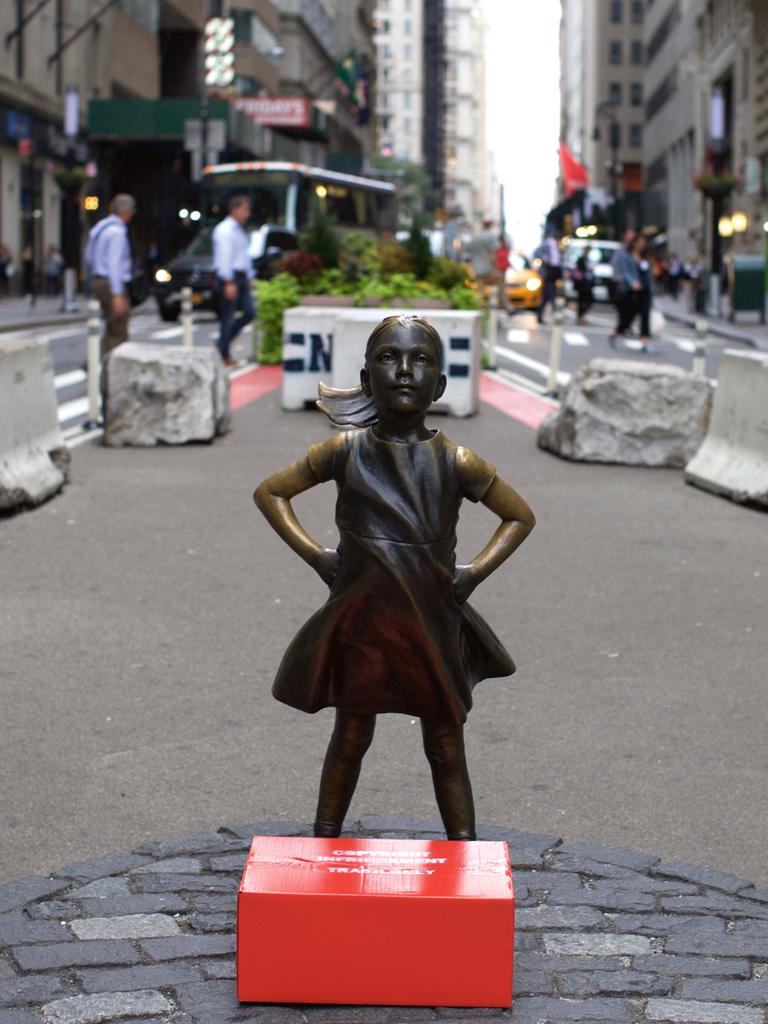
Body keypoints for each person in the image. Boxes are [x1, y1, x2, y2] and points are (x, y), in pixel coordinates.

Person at [254, 314, 535, 841]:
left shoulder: (457, 461)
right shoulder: (345, 451)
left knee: (445, 742)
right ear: (366, 380)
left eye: (420, 360)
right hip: (363, 622)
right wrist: (318, 556)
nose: (404, 371)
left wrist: (472, 573)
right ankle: (323, 837)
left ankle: (465, 851)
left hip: (431, 621)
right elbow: (271, 492)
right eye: (388, 358)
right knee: (351, 732)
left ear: (440, 385)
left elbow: (519, 516)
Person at [86, 194, 136, 357]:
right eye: (131, 210)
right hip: (110, 282)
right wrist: (117, 294)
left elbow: (88, 256)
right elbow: (115, 263)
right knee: (118, 328)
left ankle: (95, 362)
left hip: (99, 279)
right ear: (126, 211)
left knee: (111, 325)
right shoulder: (117, 232)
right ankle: (110, 367)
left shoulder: (100, 228)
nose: (132, 214)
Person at [212, 195, 255, 368]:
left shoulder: (238, 230)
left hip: (241, 277)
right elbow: (224, 257)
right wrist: (228, 281)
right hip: (230, 278)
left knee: (250, 312)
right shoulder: (224, 230)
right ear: (235, 209)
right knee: (228, 317)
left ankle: (222, 342)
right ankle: (224, 353)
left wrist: (249, 275)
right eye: (245, 210)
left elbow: (243, 255)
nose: (247, 214)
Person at [609, 229, 640, 346]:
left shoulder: (634, 252)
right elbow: (623, 269)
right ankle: (618, 331)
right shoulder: (622, 251)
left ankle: (620, 330)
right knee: (625, 312)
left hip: (632, 287)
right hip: (623, 287)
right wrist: (632, 281)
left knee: (630, 311)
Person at [631, 235, 653, 352]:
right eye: (640, 242)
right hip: (632, 291)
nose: (642, 245)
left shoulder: (646, 258)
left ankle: (645, 341)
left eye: (643, 243)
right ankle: (616, 332)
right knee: (629, 314)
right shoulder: (629, 256)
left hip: (645, 291)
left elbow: (648, 273)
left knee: (645, 317)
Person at [535, 232, 562, 324]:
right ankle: (555, 316)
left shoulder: (557, 247)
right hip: (548, 272)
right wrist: (544, 258)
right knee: (551, 295)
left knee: (546, 296)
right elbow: (537, 252)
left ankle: (541, 315)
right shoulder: (548, 244)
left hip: (553, 272)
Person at [574, 244, 594, 324]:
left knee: (589, 299)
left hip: (588, 282)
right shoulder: (581, 259)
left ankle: (582, 315)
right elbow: (578, 270)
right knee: (582, 300)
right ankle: (580, 316)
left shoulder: (588, 259)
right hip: (582, 283)